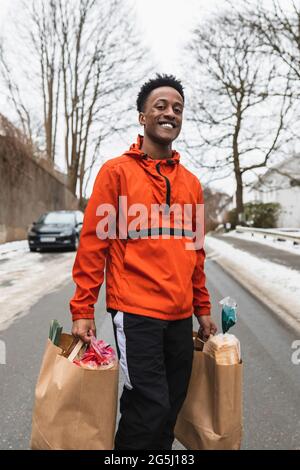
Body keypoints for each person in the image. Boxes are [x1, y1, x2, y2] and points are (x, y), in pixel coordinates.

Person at [70, 74, 217, 450]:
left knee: (171, 407)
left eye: (177, 109)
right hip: (136, 314)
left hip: (180, 316)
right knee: (147, 406)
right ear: (142, 117)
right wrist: (83, 308)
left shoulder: (192, 184)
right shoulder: (116, 173)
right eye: (161, 106)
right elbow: (93, 245)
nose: (170, 113)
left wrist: (202, 308)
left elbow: (195, 253)